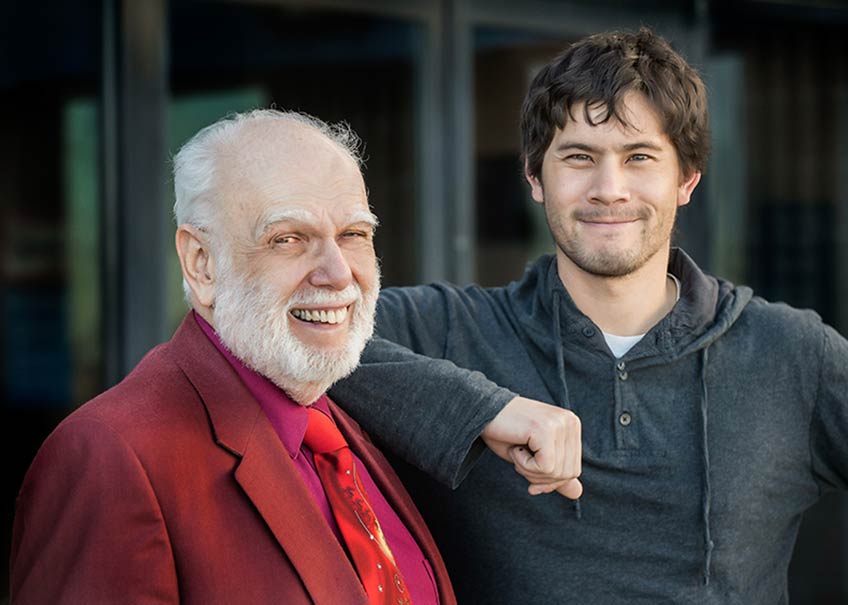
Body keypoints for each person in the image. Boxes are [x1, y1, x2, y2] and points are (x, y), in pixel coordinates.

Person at [329, 28, 848, 604]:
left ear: (687, 180)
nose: (609, 189)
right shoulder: (449, 330)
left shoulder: (794, 354)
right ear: (534, 176)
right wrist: (488, 410)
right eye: (579, 157)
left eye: (640, 157)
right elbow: (281, 330)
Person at [10, 110, 580, 604]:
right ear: (202, 263)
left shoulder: (345, 422)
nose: (338, 273)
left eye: (354, 234)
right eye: (288, 239)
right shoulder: (109, 456)